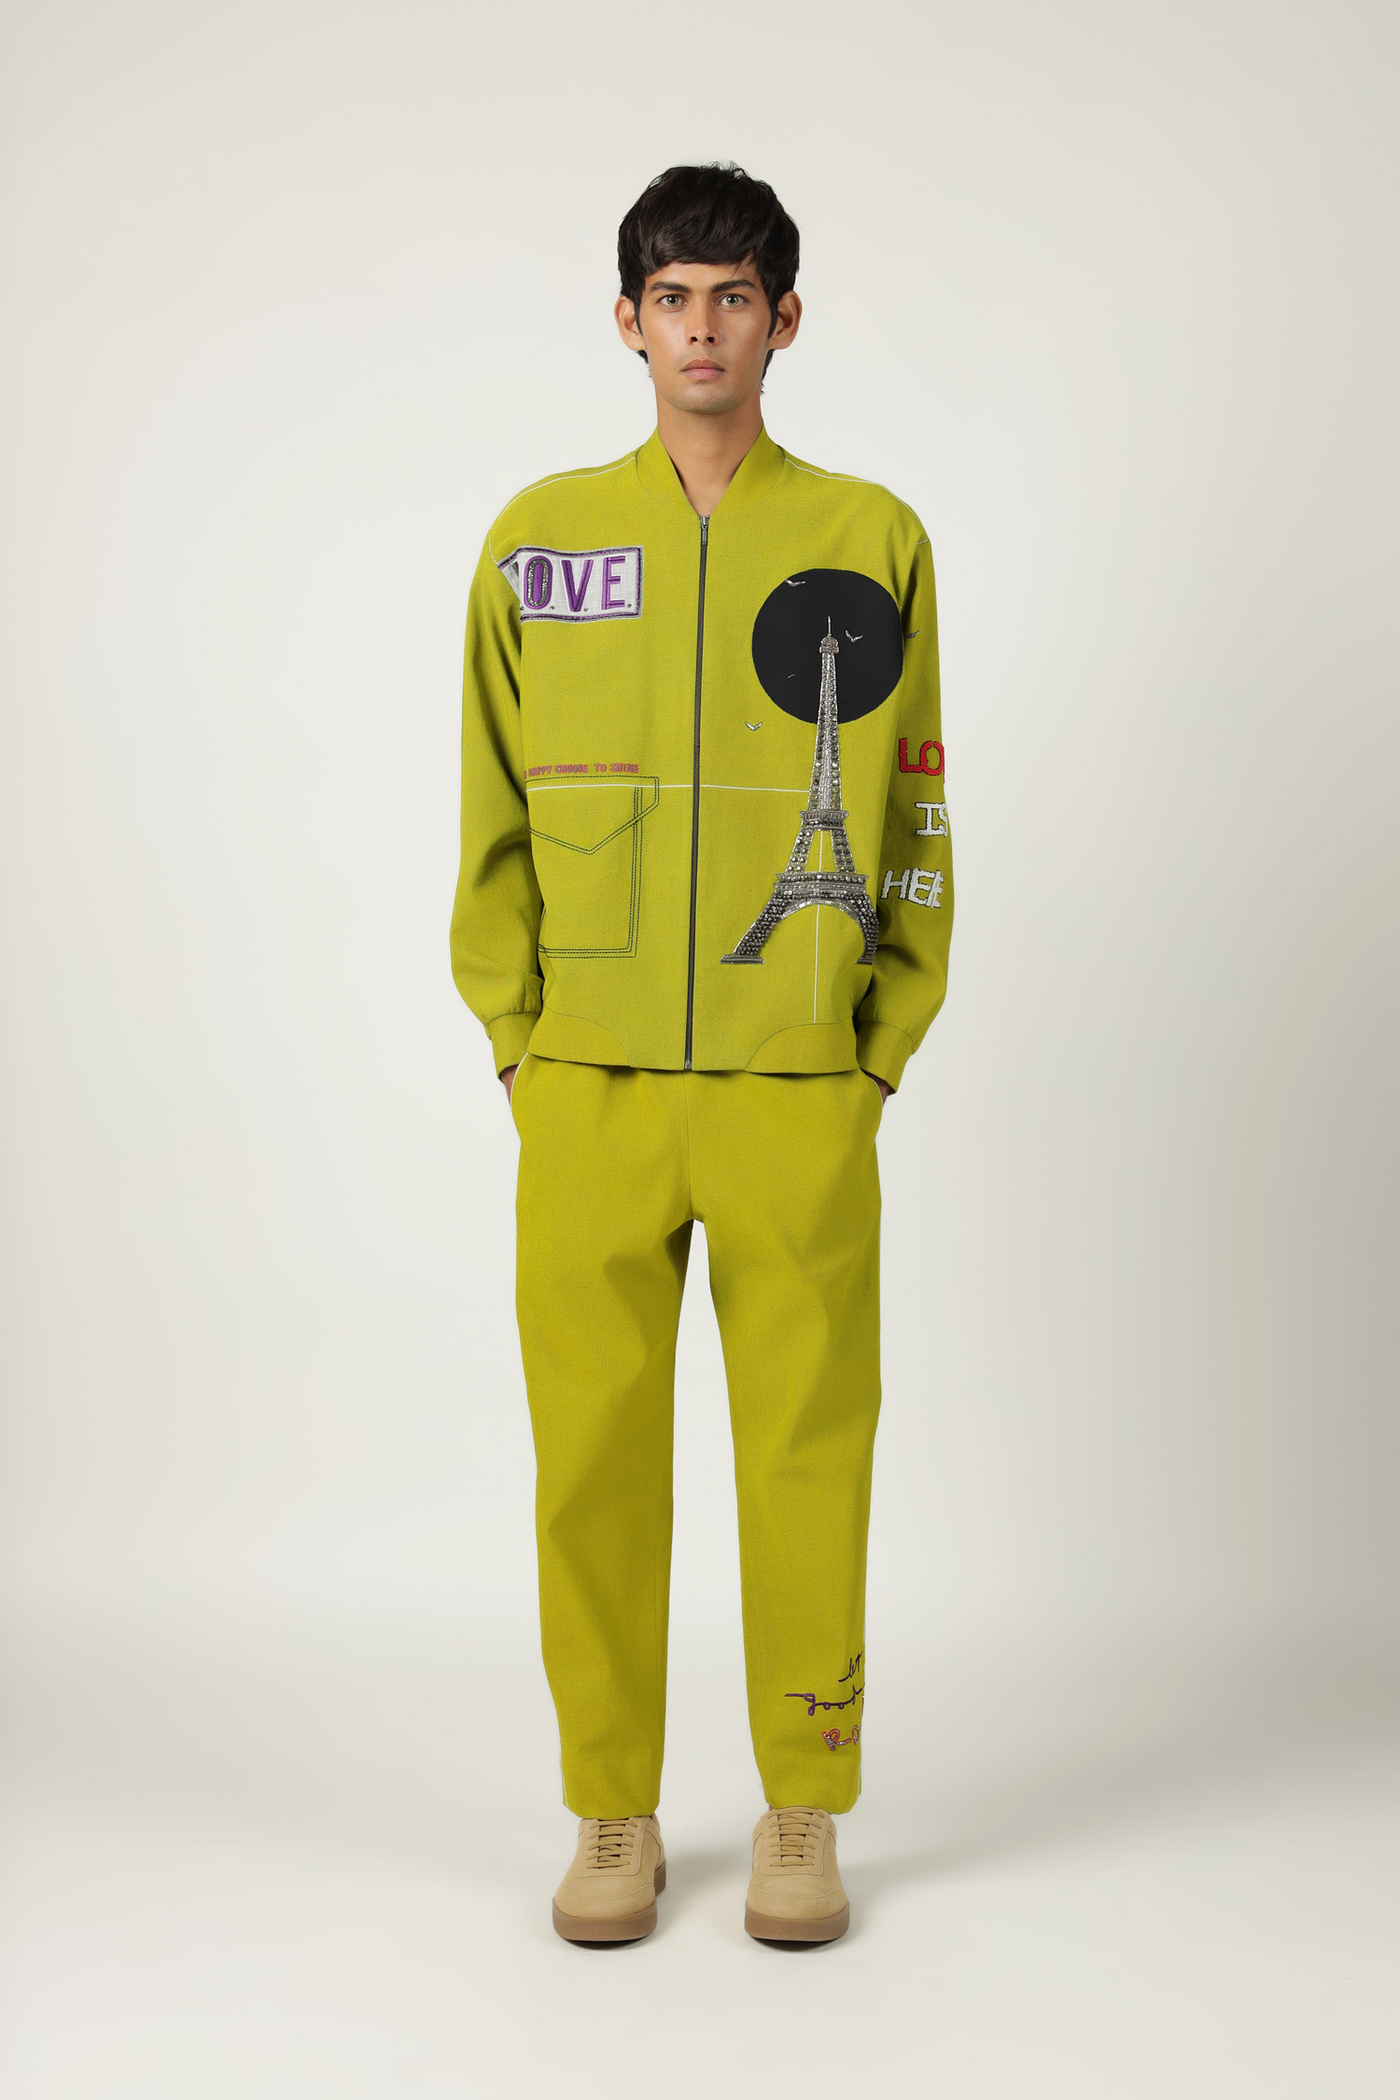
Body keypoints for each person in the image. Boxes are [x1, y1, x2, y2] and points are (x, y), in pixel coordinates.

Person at [451, 163, 953, 1944]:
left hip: (796, 1084)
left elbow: (916, 808)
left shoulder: (872, 537)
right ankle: (613, 1811)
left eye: (734, 295)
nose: (702, 327)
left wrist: (874, 1047)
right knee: (591, 1457)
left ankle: (803, 1803)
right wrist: (516, 1040)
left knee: (810, 1447)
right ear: (628, 321)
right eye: (672, 297)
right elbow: (490, 808)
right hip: (584, 1089)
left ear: (784, 320)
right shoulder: (539, 541)